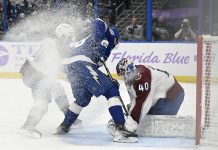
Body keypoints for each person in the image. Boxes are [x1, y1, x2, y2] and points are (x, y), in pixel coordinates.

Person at [56, 18, 138, 143]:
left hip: (71, 67)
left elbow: (94, 69)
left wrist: (108, 81)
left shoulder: (103, 47)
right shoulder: (105, 35)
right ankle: (121, 129)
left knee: (82, 98)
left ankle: (64, 126)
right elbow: (98, 22)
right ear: (114, 36)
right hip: (80, 62)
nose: (115, 44)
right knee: (112, 91)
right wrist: (101, 37)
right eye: (116, 41)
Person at [18, 23, 80, 138]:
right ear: (63, 36)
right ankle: (27, 126)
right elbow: (59, 67)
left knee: (57, 87)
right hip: (36, 74)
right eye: (69, 36)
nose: (71, 39)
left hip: (33, 72)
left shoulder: (51, 42)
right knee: (43, 103)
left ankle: (68, 116)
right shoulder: (56, 46)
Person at [107, 58, 184, 135]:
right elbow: (136, 99)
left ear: (129, 71)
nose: (123, 78)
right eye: (121, 75)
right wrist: (131, 113)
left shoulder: (142, 78)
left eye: (123, 74)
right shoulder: (132, 76)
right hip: (159, 96)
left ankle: (179, 126)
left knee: (157, 123)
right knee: (142, 118)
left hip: (173, 95)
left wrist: (129, 127)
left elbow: (143, 103)